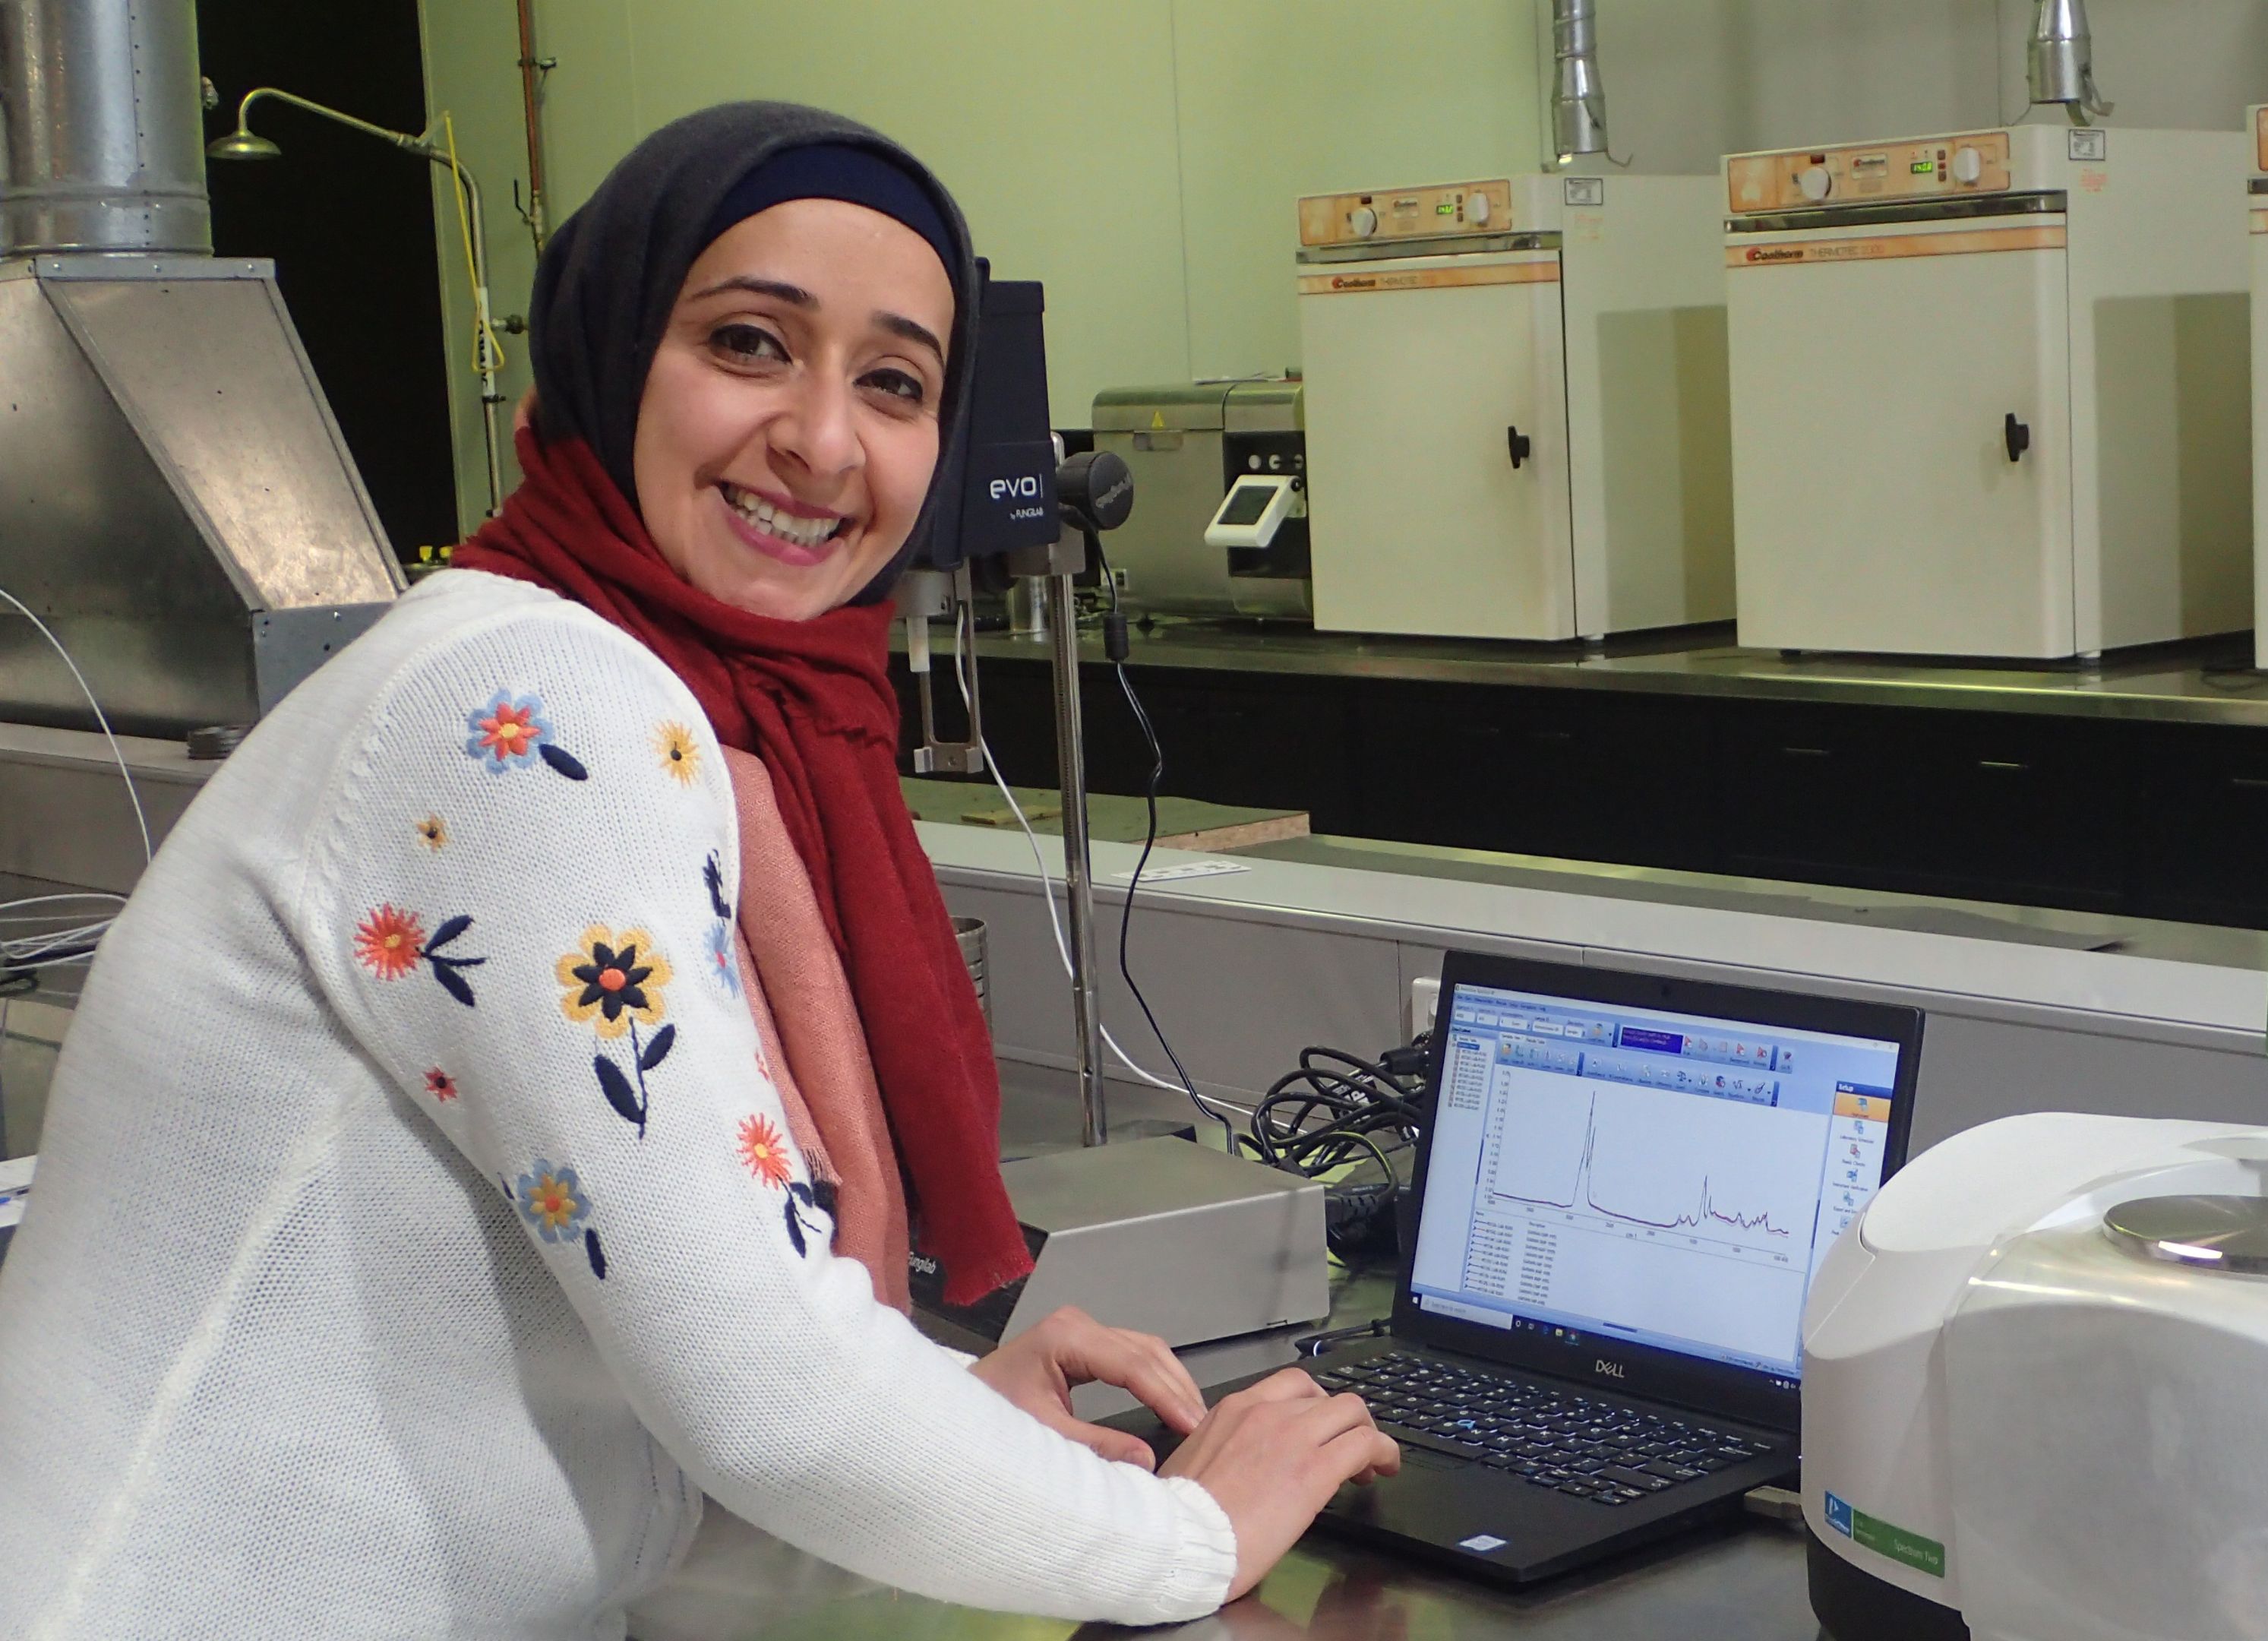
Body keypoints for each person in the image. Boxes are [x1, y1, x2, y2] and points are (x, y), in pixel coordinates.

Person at [0, 103, 1395, 1638]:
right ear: (608, 351)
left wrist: (954, 1421)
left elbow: (676, 1324)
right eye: (747, 343)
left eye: (895, 382)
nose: (822, 438)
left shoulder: (635, 690)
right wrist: (1184, 1530)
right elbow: (760, 1391)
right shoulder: (526, 717)